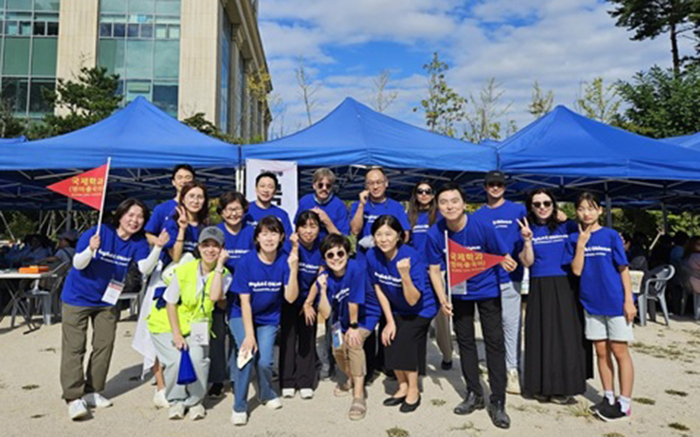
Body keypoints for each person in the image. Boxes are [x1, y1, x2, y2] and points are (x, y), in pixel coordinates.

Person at [60, 198, 167, 420]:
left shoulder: (137, 242)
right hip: (77, 298)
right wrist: (91, 249)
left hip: (107, 300)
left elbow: (144, 269)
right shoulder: (98, 231)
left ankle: (92, 391)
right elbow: (78, 263)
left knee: (104, 345)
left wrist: (157, 247)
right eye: (131, 215)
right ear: (120, 215)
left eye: (140, 217)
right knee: (75, 347)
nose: (135, 220)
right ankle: (73, 397)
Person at [426, 183, 517, 429]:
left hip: (487, 292)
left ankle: (497, 401)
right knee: (465, 344)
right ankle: (474, 393)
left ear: (464, 204)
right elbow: (434, 270)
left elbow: (502, 255)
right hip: (458, 294)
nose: (449, 206)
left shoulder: (482, 227)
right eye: (443, 202)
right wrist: (442, 298)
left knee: (494, 344)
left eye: (454, 201)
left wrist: (508, 262)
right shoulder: (436, 233)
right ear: (438, 206)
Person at [134, 180, 209, 408]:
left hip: (196, 292)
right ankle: (161, 386)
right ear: (182, 198)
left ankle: (195, 390)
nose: (195, 201)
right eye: (191, 196)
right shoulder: (172, 223)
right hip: (170, 287)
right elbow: (176, 258)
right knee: (165, 336)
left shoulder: (206, 225)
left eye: (200, 197)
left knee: (196, 340)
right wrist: (183, 228)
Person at [564, 192, 636, 422]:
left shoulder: (611, 236)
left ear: (600, 211)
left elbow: (623, 269)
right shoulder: (575, 238)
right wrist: (582, 245)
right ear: (576, 211)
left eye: (591, 208)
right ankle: (608, 396)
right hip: (591, 303)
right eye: (582, 208)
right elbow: (576, 270)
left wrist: (629, 300)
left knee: (619, 351)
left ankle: (624, 403)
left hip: (615, 302)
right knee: (601, 351)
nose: (587, 213)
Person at [147, 226, 231, 420]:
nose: (210, 250)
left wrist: (218, 268)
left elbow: (216, 296)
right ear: (199, 248)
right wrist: (176, 334)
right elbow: (170, 303)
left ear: (222, 249)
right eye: (206, 245)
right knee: (176, 360)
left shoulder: (225, 274)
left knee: (198, 358)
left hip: (198, 326)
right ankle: (176, 400)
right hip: (166, 324)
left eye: (215, 246)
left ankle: (195, 401)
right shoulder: (184, 269)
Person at [517, 189, 588, 404]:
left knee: (565, 337)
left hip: (565, 284)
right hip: (539, 284)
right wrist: (527, 242)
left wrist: (568, 218)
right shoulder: (526, 229)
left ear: (553, 204)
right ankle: (538, 387)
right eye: (537, 204)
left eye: (547, 203)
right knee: (539, 335)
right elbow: (527, 262)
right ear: (530, 207)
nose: (542, 207)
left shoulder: (568, 226)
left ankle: (560, 388)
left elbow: (586, 230)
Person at [228, 216, 299, 426]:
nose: (269, 238)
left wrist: (294, 269)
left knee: (265, 361)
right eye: (264, 233)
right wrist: (249, 336)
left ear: (281, 237)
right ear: (257, 237)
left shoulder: (285, 260)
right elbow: (244, 302)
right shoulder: (246, 262)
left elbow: (291, 298)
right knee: (247, 355)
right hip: (241, 314)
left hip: (268, 317)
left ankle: (266, 393)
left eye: (274, 233)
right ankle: (239, 406)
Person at [367, 215, 437, 413]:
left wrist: (404, 275)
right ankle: (402, 385)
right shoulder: (373, 255)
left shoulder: (411, 257)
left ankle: (414, 390)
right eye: (378, 234)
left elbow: (414, 299)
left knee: (404, 341)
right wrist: (389, 321)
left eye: (388, 234)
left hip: (421, 309)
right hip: (397, 308)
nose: (383, 239)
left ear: (399, 235)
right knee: (389, 339)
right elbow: (379, 288)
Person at [312, 233, 381, 421]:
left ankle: (359, 395)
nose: (336, 258)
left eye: (340, 253)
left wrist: (353, 327)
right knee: (338, 351)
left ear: (347, 253)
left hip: (364, 316)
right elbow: (325, 313)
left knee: (353, 344)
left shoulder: (356, 269)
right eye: (330, 255)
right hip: (341, 319)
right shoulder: (325, 276)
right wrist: (323, 290)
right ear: (325, 258)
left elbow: (354, 303)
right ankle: (351, 378)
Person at [471, 170, 527, 394]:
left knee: (512, 324)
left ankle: (512, 369)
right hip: (486, 280)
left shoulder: (518, 210)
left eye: (500, 184)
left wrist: (562, 217)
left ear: (505, 187)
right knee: (492, 328)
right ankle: (497, 366)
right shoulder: (477, 216)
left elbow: (537, 225)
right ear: (485, 187)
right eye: (491, 184)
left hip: (510, 278)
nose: (495, 188)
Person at [208, 192, 255, 398]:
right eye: (229, 209)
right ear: (222, 212)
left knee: (239, 339)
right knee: (217, 338)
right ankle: (218, 379)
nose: (233, 213)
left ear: (244, 211)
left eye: (237, 209)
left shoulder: (252, 232)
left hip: (244, 294)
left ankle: (237, 377)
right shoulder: (215, 232)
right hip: (220, 291)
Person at [407, 181, 452, 370]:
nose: (424, 194)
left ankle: (447, 355)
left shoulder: (441, 215)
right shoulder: (409, 216)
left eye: (428, 191)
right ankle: (418, 358)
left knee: (442, 317)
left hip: (438, 270)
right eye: (420, 191)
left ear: (433, 195)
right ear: (415, 194)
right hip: (417, 272)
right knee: (417, 316)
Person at [280, 211, 323, 399]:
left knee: (307, 339)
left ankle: (305, 380)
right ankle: (287, 381)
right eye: (304, 226)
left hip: (310, 299)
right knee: (288, 340)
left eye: (313, 226)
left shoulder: (321, 248)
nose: (308, 231)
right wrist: (295, 248)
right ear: (296, 229)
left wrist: (309, 303)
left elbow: (319, 277)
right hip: (289, 298)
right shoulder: (286, 248)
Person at [350, 167, 410, 250]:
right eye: (371, 183)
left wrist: (386, 242)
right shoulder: (358, 205)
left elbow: (406, 236)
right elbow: (355, 231)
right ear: (366, 186)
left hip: (388, 259)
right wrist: (361, 205)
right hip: (364, 259)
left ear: (386, 183)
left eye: (379, 182)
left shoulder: (397, 207)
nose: (375, 187)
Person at [144, 164, 196, 246]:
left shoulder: (198, 208)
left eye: (188, 177)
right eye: (180, 177)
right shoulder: (162, 208)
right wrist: (159, 242)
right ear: (173, 182)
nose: (184, 181)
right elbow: (148, 234)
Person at [295, 167, 350, 240]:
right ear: (314, 185)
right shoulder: (304, 201)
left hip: (329, 247)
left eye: (328, 186)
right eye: (320, 185)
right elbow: (297, 228)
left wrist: (327, 221)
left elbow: (343, 239)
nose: (324, 188)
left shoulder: (339, 206)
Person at [244, 172, 293, 238]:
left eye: (270, 187)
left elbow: (287, 241)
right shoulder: (245, 210)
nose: (266, 190)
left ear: (275, 191)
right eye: (262, 186)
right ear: (256, 189)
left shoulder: (281, 215)